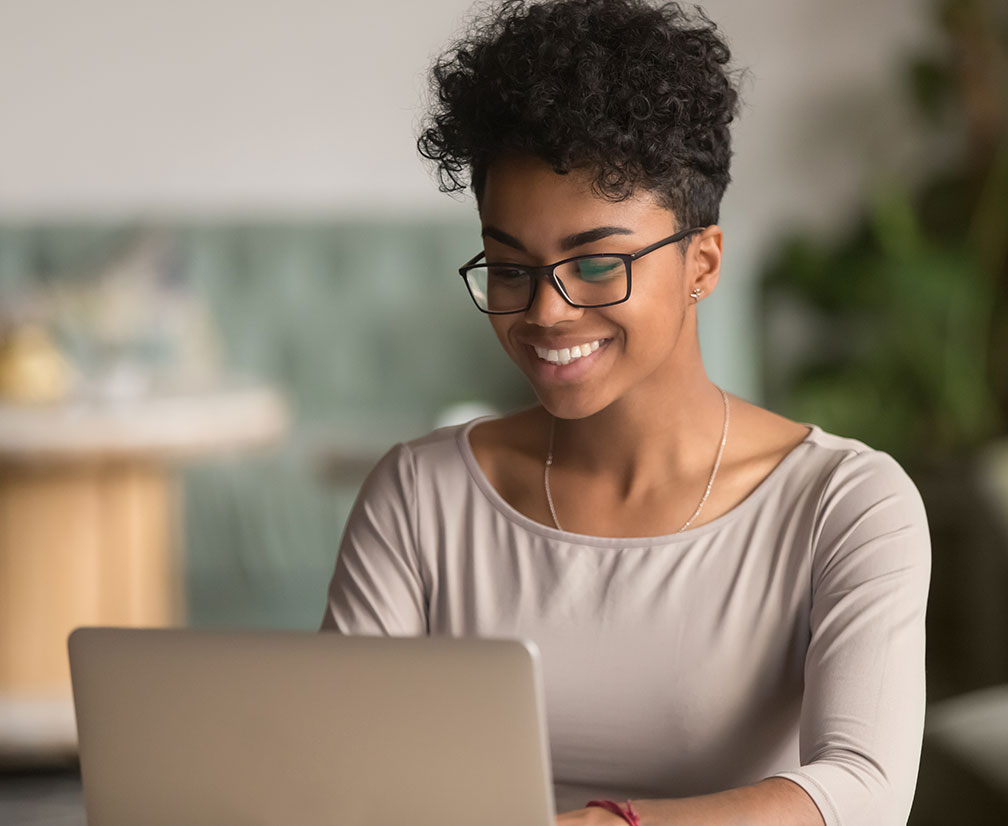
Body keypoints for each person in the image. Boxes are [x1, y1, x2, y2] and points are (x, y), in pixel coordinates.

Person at [320, 1, 931, 824]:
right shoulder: (420, 497)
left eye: (597, 262)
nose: (546, 312)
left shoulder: (845, 504)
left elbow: (864, 791)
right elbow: (334, 771)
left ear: (702, 261)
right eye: (509, 268)